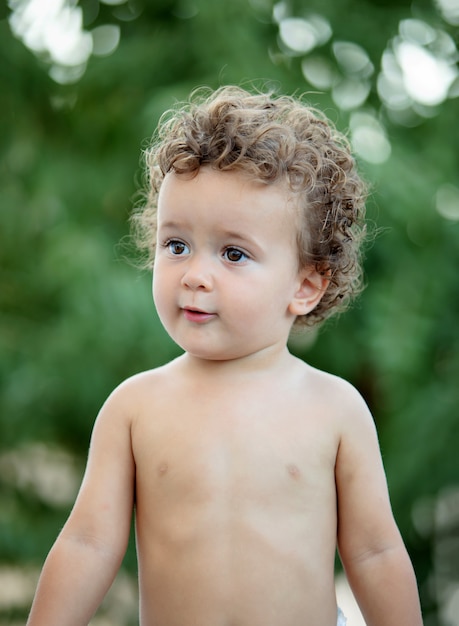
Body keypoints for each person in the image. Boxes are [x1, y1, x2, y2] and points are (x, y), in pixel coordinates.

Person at [27, 86, 423, 626]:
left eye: (233, 253)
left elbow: (375, 553)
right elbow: (88, 545)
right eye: (176, 245)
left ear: (305, 286)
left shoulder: (334, 409)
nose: (194, 274)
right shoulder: (135, 408)